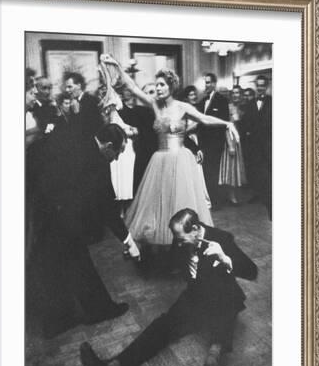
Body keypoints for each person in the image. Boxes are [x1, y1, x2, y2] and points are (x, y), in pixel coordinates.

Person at [80, 208, 258, 366]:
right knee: (160, 328)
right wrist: (139, 256)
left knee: (218, 340)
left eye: (181, 239)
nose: (179, 244)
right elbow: (167, 262)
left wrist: (225, 258)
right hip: (195, 298)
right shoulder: (181, 239)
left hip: (223, 298)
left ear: (196, 230)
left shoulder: (222, 239)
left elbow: (251, 270)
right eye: (177, 239)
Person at [100, 55, 239, 246]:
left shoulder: (183, 107)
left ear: (171, 86)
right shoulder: (154, 105)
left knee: (181, 202)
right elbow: (131, 86)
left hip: (181, 160)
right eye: (156, 85)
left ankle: (186, 240)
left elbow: (204, 119)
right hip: (159, 160)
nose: (158, 88)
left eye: (162, 85)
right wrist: (116, 66)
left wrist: (227, 123)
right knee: (160, 204)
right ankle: (166, 241)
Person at [27, 122, 141, 338]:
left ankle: (59, 321)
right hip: (56, 214)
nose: (116, 159)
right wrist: (128, 241)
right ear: (108, 145)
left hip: (42, 208)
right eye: (117, 152)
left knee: (54, 265)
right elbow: (108, 207)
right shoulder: (97, 162)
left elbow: (35, 150)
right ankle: (96, 311)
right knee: (76, 262)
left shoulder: (77, 136)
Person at [197, 73, 230, 208]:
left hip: (216, 143)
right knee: (205, 172)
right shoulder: (202, 101)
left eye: (209, 82)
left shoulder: (222, 100)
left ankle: (216, 202)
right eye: (205, 83)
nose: (206, 85)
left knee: (214, 173)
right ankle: (210, 200)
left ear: (215, 84)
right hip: (203, 142)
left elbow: (224, 122)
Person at [247, 75, 272, 218]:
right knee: (256, 170)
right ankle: (259, 195)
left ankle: (269, 197)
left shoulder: (272, 102)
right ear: (256, 86)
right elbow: (247, 122)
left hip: (268, 143)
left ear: (266, 86)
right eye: (258, 85)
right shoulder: (250, 103)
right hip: (254, 144)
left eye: (263, 85)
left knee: (268, 172)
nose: (260, 88)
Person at [218, 85, 248, 205]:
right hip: (230, 140)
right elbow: (226, 127)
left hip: (239, 141)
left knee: (237, 169)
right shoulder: (228, 107)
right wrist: (230, 145)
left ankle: (235, 195)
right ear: (231, 94)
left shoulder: (241, 107)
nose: (236, 95)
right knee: (230, 168)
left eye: (238, 93)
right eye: (234, 93)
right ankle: (230, 196)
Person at [64, 71, 104, 137]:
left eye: (70, 87)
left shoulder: (92, 100)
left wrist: (77, 113)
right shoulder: (72, 103)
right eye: (66, 87)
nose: (67, 90)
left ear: (79, 86)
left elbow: (94, 126)